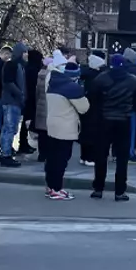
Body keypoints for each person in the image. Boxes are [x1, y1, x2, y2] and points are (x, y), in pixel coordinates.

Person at [87, 54, 136, 201]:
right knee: (122, 158)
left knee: (101, 156)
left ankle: (98, 188)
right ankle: (120, 191)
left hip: (104, 120)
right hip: (124, 120)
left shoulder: (101, 79)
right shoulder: (133, 80)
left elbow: (93, 99)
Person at [43, 60, 89, 200]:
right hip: (66, 129)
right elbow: (84, 108)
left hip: (51, 125)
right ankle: (57, 189)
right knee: (61, 160)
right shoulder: (71, 88)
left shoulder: (51, 84)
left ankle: (50, 187)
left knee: (51, 158)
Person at [0, 42, 28, 167]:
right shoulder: (11, 65)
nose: (26, 55)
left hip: (13, 101)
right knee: (9, 129)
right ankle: (6, 155)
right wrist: (20, 94)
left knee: (10, 129)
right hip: (11, 101)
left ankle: (6, 151)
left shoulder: (18, 65)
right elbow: (8, 83)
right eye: (25, 52)